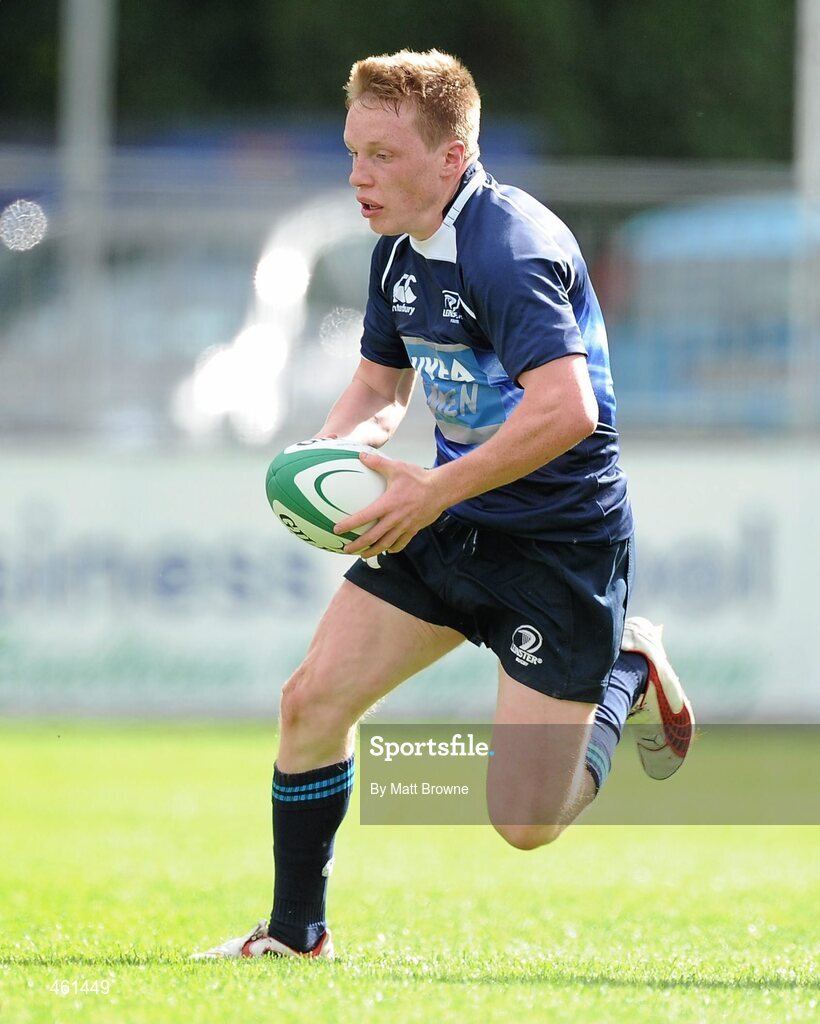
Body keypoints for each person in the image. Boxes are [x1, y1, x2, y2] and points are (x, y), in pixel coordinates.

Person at [192, 49, 694, 961]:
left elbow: (569, 410)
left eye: (381, 156)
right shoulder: (396, 251)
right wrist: (330, 450)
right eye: (352, 154)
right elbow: (382, 389)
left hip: (558, 544)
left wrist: (429, 489)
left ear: (451, 157)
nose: (358, 177)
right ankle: (298, 937)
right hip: (453, 519)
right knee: (310, 701)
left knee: (525, 823)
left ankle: (627, 663)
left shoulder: (510, 248)